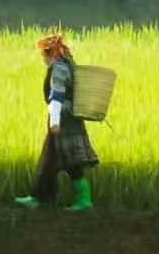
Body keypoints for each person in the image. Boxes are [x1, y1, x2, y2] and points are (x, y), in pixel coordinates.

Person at [15, 30, 97, 212]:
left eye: (43, 55)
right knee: (55, 160)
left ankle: (50, 199)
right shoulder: (68, 66)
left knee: (63, 160)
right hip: (70, 118)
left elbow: (57, 96)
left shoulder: (58, 69)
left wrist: (54, 121)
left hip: (62, 120)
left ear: (49, 53)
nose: (43, 59)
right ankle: (43, 198)